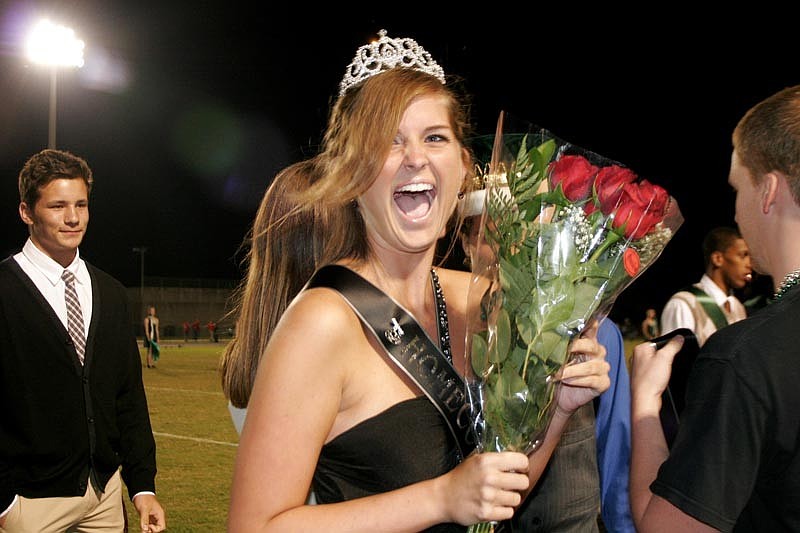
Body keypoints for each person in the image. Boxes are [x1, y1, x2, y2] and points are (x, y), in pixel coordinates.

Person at [222, 30, 610, 532]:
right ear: (350, 173)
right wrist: (440, 498)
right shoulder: (322, 323)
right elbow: (253, 527)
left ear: (464, 165)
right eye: (388, 141)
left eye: (434, 137)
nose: (414, 157)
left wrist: (557, 408)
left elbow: (493, 497)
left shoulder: (477, 299)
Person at [630, 85, 800, 531]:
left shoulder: (747, 355)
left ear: (768, 191)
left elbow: (666, 527)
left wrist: (645, 404)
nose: (738, 212)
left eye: (737, 188)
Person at [0, 149, 165, 532]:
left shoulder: (111, 292)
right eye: (57, 206)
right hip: (30, 503)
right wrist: (6, 505)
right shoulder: (5, 291)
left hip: (104, 497)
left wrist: (141, 486)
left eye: (81, 204)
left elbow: (128, 396)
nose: (73, 217)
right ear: (27, 212)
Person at [459, 195, 634, 532]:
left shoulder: (593, 333)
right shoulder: (455, 333)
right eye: (495, 237)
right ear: (468, 244)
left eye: (526, 234)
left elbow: (616, 447)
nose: (512, 249)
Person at [660, 226, 752, 347]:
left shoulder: (737, 306)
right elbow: (674, 363)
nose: (749, 264)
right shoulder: (683, 304)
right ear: (718, 259)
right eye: (743, 255)